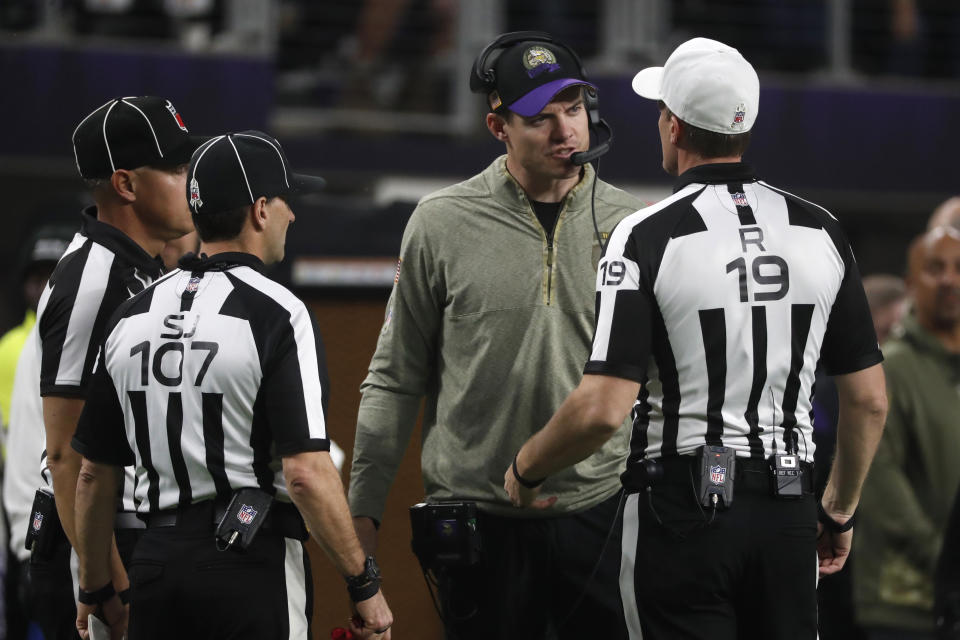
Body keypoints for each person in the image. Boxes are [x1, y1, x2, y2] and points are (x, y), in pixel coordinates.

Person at [505, 37, 888, 640]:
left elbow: (603, 409)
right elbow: (869, 400)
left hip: (681, 511)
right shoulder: (822, 230)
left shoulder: (644, 234)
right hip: (790, 505)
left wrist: (526, 469)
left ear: (674, 127)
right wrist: (838, 510)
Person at [348, 31, 643, 640]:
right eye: (541, 118)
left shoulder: (633, 225)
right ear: (497, 126)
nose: (567, 131)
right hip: (477, 519)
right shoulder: (440, 222)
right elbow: (395, 377)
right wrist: (363, 514)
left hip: (599, 515)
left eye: (575, 109)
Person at [70, 130, 392, 639]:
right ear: (260, 210)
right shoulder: (280, 313)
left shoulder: (132, 313)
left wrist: (94, 591)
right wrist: (363, 584)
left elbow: (92, 476)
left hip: (154, 567)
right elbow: (306, 473)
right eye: (287, 201)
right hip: (248, 562)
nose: (294, 215)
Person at [34, 95, 204, 639]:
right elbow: (65, 455)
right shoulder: (93, 280)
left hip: (130, 530)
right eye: (177, 169)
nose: (190, 180)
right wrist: (103, 586)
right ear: (127, 185)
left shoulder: (143, 270)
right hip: (97, 541)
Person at [854, 227, 960, 640]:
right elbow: (882, 483)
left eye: (957, 268)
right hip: (902, 602)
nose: (949, 279)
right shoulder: (890, 368)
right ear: (913, 284)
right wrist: (948, 560)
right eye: (935, 269)